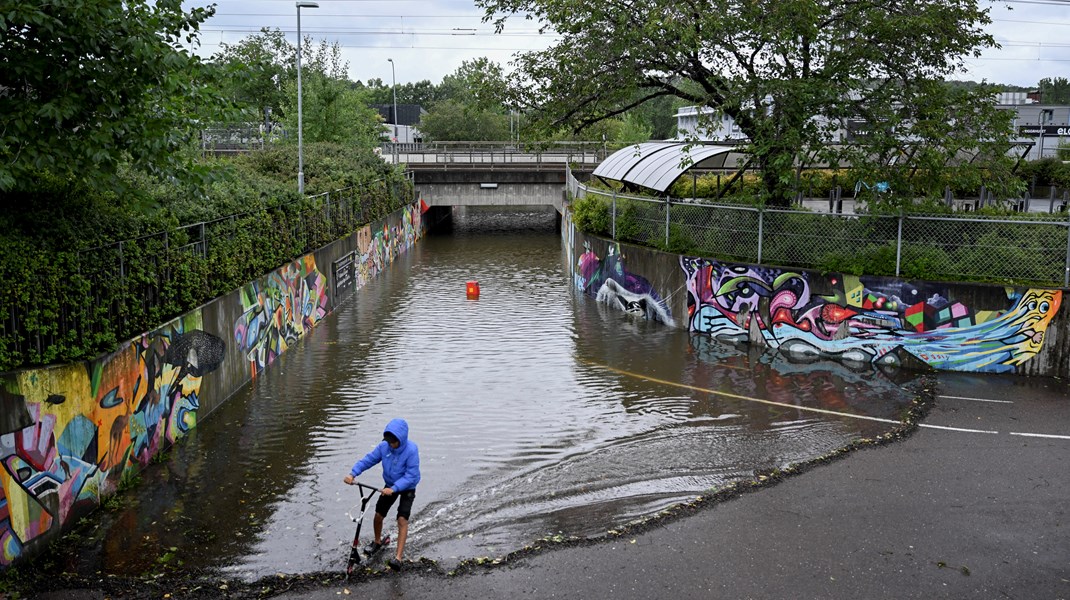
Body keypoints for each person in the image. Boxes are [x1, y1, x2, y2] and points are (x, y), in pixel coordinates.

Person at [343, 418, 420, 570]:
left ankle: (398, 558)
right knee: (378, 515)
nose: (391, 444)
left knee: (402, 519)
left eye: (394, 442)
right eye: (389, 441)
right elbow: (368, 460)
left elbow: (411, 475)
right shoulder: (384, 447)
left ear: (401, 439)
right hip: (389, 485)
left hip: (407, 487)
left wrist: (395, 488)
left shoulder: (411, 450)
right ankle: (377, 542)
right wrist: (353, 474)